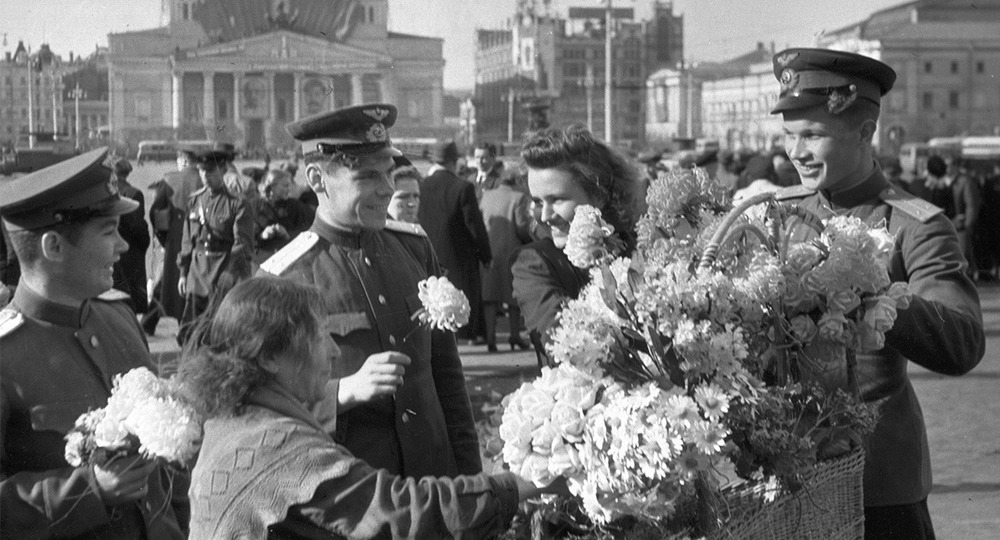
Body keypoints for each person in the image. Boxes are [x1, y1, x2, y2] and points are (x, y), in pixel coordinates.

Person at [769, 48, 984, 539]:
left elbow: (963, 344)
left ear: (865, 134)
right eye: (789, 136)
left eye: (813, 135)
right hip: (787, 474)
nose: (796, 152)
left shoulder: (916, 226)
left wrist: (876, 290)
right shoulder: (778, 217)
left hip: (879, 483)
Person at [180, 277, 561, 538]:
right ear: (270, 357)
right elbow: (405, 513)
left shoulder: (231, 421)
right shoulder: (279, 447)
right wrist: (525, 484)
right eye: (317, 337)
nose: (332, 350)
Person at [259, 104, 482, 478]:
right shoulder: (282, 279)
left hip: (434, 480)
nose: (388, 188)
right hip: (357, 498)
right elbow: (263, 411)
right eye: (367, 176)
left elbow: (447, 376)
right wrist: (342, 393)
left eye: (389, 172)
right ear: (317, 179)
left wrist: (472, 482)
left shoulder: (414, 248)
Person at [0, 148, 188, 538]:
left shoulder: (119, 317)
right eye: (108, 232)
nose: (123, 246)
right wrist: (90, 490)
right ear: (53, 247)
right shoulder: (6, 355)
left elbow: (166, 470)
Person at [512, 125, 643, 367]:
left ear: (599, 195)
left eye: (557, 199)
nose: (545, 216)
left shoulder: (638, 249)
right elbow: (564, 343)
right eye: (538, 202)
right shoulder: (536, 263)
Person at [418, 140, 493, 344]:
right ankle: (466, 335)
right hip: (459, 258)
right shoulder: (463, 188)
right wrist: (486, 255)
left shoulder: (421, 186)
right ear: (454, 161)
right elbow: (474, 227)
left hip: (428, 255)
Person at [176, 149, 254, 344]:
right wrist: (183, 273)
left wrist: (230, 271)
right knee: (190, 331)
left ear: (223, 170)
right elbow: (187, 240)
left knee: (222, 331)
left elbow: (243, 244)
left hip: (223, 272)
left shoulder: (238, 203)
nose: (205, 176)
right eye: (202, 171)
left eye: (210, 172)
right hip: (197, 272)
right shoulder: (195, 200)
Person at [141, 147, 200, 335]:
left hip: (175, 238)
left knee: (166, 283)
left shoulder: (170, 179)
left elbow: (156, 212)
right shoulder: (204, 180)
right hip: (199, 238)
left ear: (182, 161)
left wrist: (164, 238)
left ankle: (149, 323)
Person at [479, 169, 533, 353]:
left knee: (490, 297)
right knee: (513, 298)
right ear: (516, 181)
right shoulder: (519, 198)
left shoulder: (486, 196)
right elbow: (522, 227)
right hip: (512, 252)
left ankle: (491, 338)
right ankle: (515, 335)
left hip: (489, 251)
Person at [110, 157, 151, 314]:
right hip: (130, 251)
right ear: (128, 173)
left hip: (111, 249)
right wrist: (144, 242)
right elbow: (137, 226)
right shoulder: (134, 193)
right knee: (131, 297)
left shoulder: (107, 192)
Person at [253, 168, 315, 262]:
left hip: (288, 257)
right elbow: (245, 235)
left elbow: (309, 229)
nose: (288, 189)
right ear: (272, 187)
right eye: (285, 186)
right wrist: (262, 235)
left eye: (289, 186)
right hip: (261, 257)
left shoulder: (295, 206)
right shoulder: (254, 206)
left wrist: (287, 234)